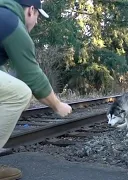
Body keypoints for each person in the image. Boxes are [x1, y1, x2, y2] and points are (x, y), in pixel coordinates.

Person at [0, 0, 72, 179]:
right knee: (20, 93)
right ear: (31, 10)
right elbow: (32, 76)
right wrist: (57, 105)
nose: (37, 22)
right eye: (38, 16)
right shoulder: (12, 23)